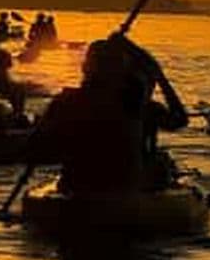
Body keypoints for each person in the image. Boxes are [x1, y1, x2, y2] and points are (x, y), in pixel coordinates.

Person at [27, 33, 188, 193]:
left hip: (76, 184)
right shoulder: (137, 104)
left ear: (85, 68)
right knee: (162, 163)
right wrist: (160, 76)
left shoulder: (66, 101)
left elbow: (36, 148)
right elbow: (179, 120)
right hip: (124, 187)